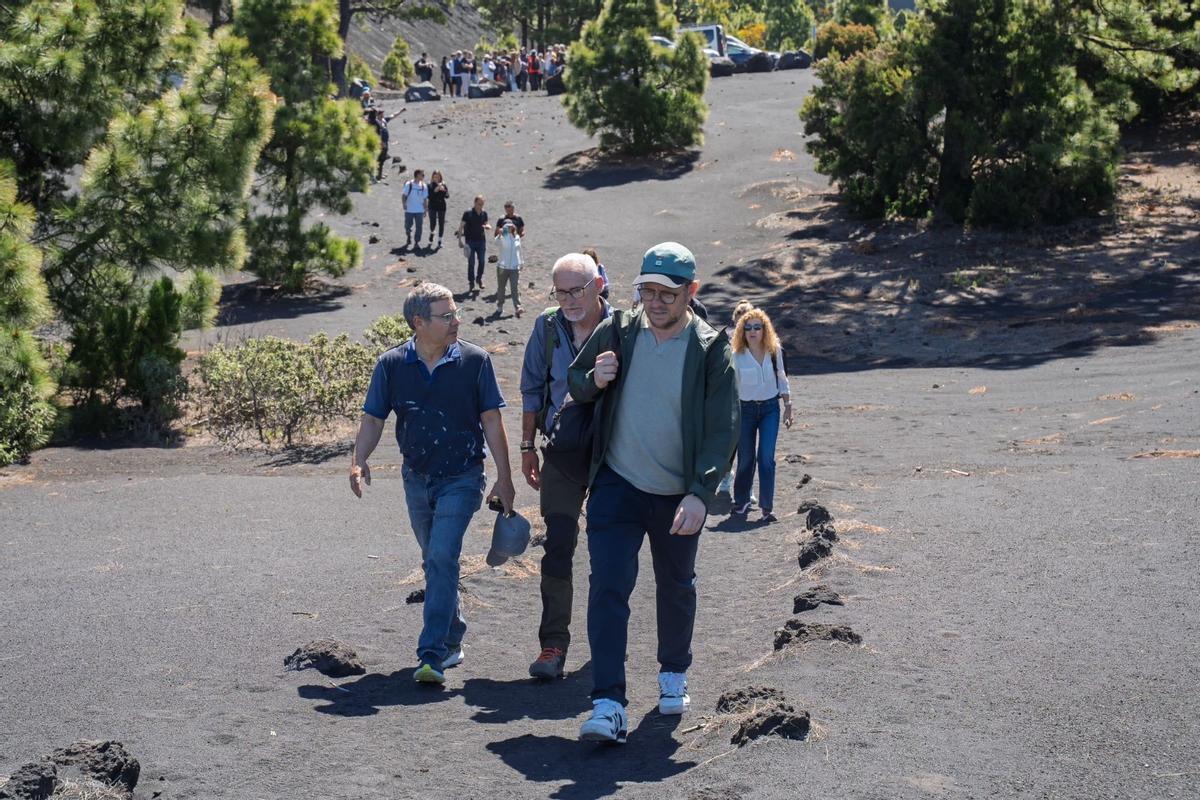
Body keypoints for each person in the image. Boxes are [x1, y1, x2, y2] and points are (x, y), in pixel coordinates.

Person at [568, 242, 738, 743]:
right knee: (608, 586)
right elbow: (577, 380)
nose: (657, 302)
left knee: (676, 585)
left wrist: (701, 492)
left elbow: (723, 427)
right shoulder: (619, 329)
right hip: (616, 483)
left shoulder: (710, 348)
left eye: (668, 293)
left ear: (691, 291)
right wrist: (594, 378)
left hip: (678, 494)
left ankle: (673, 672)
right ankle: (608, 705)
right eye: (648, 291)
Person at [350, 282, 516, 685]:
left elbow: (492, 420)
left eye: (456, 313)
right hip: (416, 478)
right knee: (434, 560)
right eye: (446, 316)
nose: (456, 321)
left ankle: (432, 654)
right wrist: (358, 460)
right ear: (418, 322)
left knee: (442, 556)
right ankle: (453, 636)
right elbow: (373, 419)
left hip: (463, 476)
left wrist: (505, 478)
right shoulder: (391, 364)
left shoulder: (475, 361)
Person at [518, 254, 612, 680]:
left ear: (598, 286)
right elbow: (531, 388)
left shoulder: (623, 327)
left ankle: (609, 640)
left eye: (578, 290)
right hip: (561, 450)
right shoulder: (547, 327)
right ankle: (553, 645)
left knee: (610, 549)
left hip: (613, 454)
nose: (570, 300)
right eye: (561, 292)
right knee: (557, 545)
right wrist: (527, 446)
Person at [730, 308, 792, 522]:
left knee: (766, 458)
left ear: (765, 329)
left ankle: (767, 508)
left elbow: (782, 378)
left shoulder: (775, 351)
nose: (753, 331)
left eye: (757, 327)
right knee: (746, 458)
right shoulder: (736, 355)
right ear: (742, 331)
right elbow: (730, 388)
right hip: (745, 410)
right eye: (748, 327)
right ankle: (742, 501)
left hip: (770, 409)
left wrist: (788, 405)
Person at [717, 300, 756, 497]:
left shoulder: (758, 340)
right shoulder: (727, 338)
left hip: (752, 400)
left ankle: (747, 487)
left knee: (747, 447)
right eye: (740, 320)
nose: (744, 324)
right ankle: (726, 477)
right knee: (729, 445)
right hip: (731, 399)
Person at [455, 195, 490, 294]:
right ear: (475, 203)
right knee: (471, 263)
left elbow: (486, 223)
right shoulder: (468, 213)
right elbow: (461, 226)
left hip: (481, 241)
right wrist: (460, 240)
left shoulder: (484, 213)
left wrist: (488, 226)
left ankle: (479, 278)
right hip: (470, 242)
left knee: (482, 261)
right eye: (479, 204)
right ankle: (471, 281)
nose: (480, 206)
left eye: (482, 204)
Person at [495, 220, 523, 317]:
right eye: (507, 227)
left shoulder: (517, 237)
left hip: (514, 267)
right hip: (502, 267)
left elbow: (519, 251)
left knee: (515, 287)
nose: (509, 228)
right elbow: (496, 243)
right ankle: (500, 306)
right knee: (501, 288)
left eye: (510, 226)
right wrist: (499, 235)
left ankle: (517, 307)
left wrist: (521, 262)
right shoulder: (502, 237)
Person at [366, 107, 403, 181]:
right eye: (381, 113)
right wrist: (381, 143)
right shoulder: (375, 123)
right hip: (379, 144)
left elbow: (393, 115)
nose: (383, 114)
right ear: (377, 114)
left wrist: (401, 111)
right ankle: (374, 175)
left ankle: (379, 175)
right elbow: (377, 134)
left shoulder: (383, 120)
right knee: (378, 159)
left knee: (381, 160)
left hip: (383, 143)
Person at [402, 169, 429, 250]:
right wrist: (404, 204)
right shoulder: (409, 184)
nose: (423, 176)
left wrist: (425, 209)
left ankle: (416, 242)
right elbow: (404, 195)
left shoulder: (424, 186)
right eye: (422, 175)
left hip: (419, 210)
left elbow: (425, 198)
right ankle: (408, 235)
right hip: (409, 209)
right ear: (417, 175)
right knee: (407, 226)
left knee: (419, 227)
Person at [427, 170, 449, 248]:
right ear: (432, 177)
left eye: (438, 177)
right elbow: (429, 197)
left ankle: (440, 241)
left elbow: (447, 196)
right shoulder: (429, 185)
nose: (436, 178)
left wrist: (444, 190)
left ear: (440, 177)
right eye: (435, 177)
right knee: (433, 223)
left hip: (441, 206)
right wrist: (435, 191)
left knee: (441, 223)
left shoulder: (443, 184)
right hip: (432, 206)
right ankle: (432, 232)